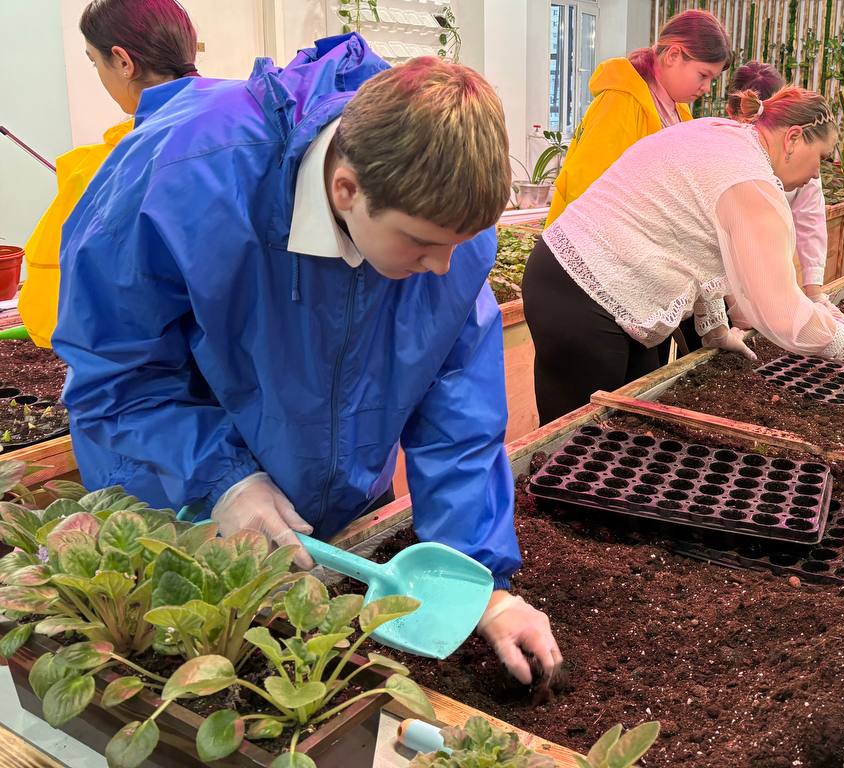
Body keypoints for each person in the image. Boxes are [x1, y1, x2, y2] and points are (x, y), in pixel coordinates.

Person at [54, 38, 560, 685]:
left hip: (331, 501)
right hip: (171, 489)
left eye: (459, 245)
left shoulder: (443, 228)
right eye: (422, 245)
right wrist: (222, 479)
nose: (442, 267)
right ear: (345, 189)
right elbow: (114, 374)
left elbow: (458, 418)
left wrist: (482, 584)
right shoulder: (185, 176)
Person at [522, 86, 844, 424]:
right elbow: (783, 315)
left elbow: (695, 243)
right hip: (579, 286)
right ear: (794, 138)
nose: (817, 173)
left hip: (591, 280)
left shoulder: (724, 136)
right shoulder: (750, 181)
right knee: (578, 435)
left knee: (626, 419)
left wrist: (715, 331)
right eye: (822, 157)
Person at [18, 0, 200, 348]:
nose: (98, 74)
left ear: (122, 61)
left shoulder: (108, 168)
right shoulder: (254, 124)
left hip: (156, 366)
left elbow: (54, 312)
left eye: (94, 61)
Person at [677, 61, 833, 354]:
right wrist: (736, 306)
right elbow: (708, 242)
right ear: (733, 110)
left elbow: (810, 221)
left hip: (751, 282)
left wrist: (813, 291)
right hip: (701, 285)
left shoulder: (800, 158)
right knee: (701, 350)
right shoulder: (727, 154)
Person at [544, 9, 731, 225]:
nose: (706, 88)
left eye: (712, 80)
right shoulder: (620, 101)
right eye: (703, 75)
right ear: (673, 55)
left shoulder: (679, 109)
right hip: (591, 235)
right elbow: (586, 187)